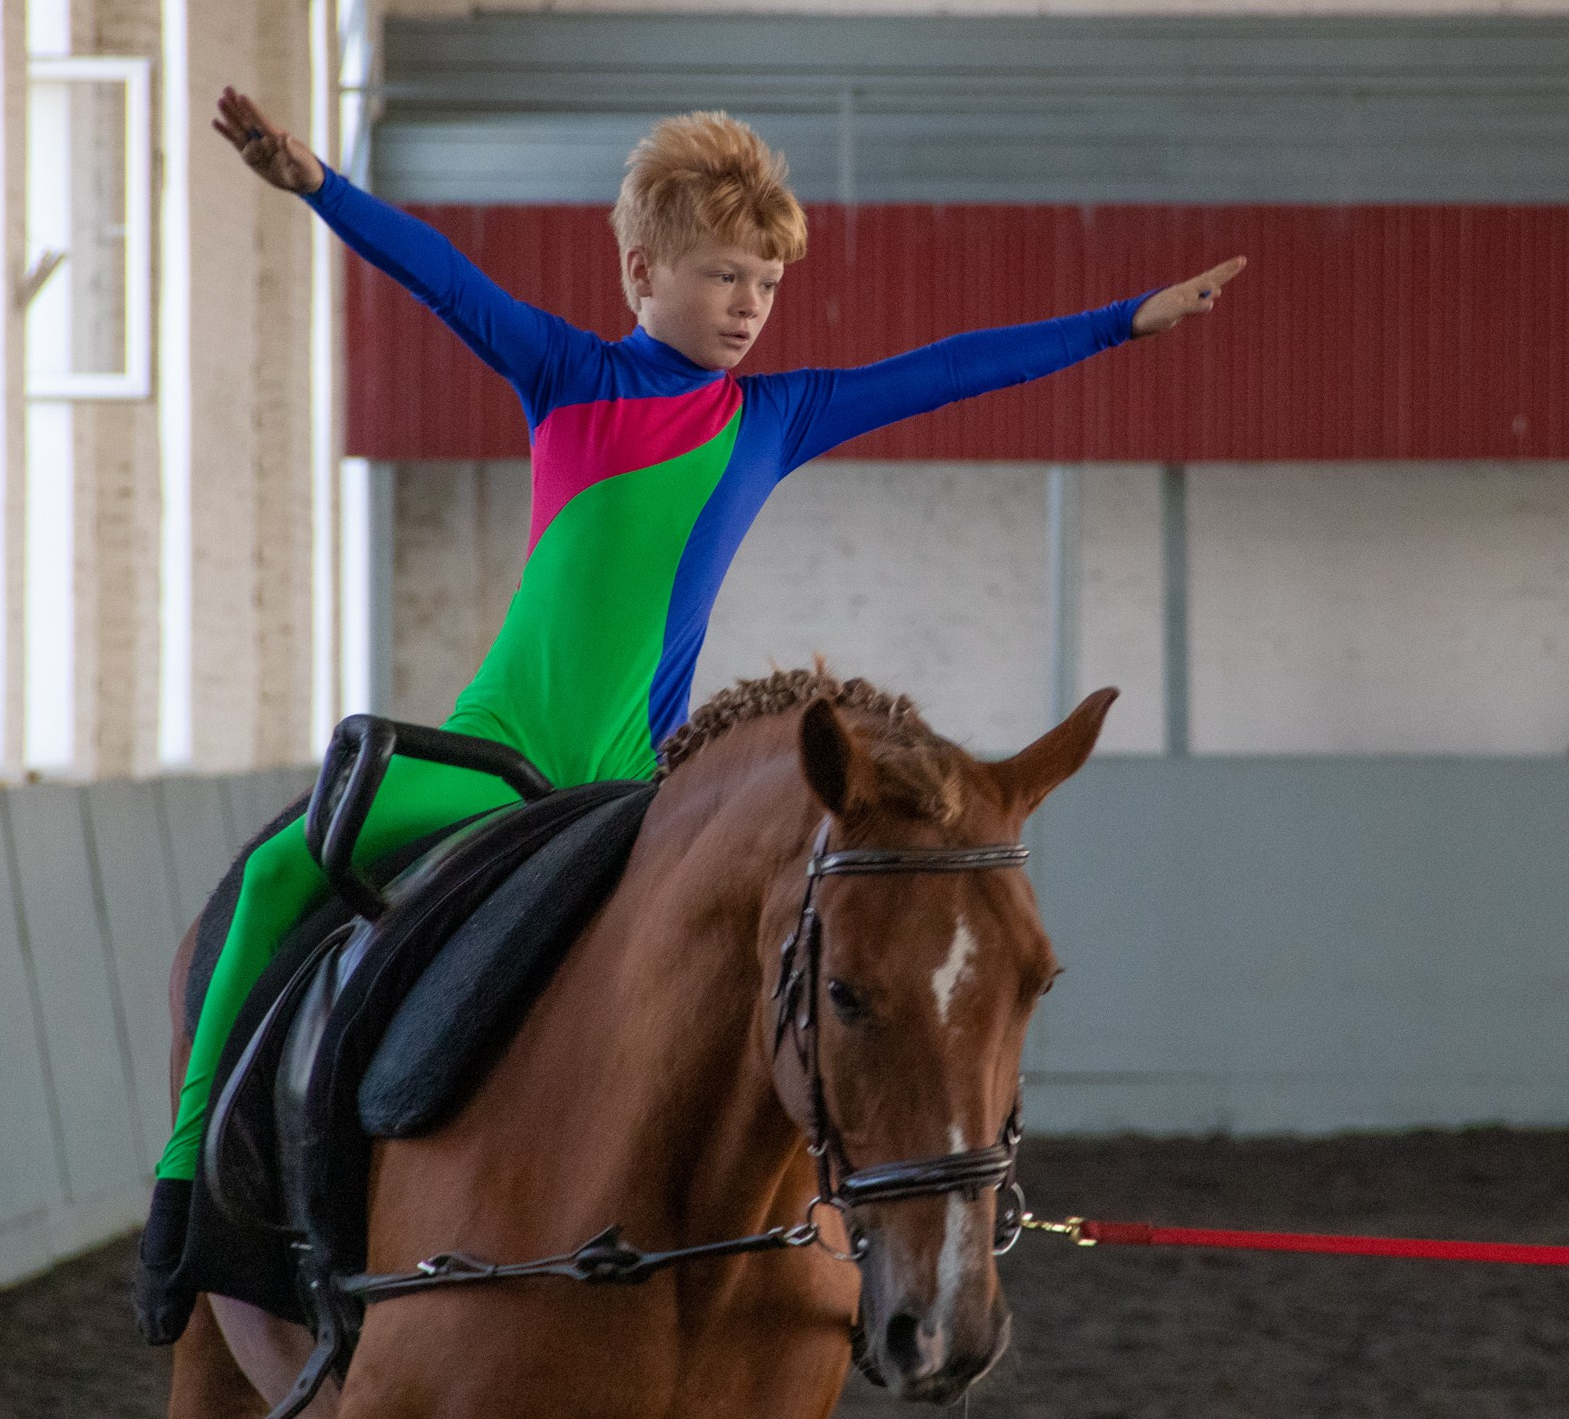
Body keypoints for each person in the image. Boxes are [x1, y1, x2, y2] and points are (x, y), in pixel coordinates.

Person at [135, 89, 1244, 1339]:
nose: (747, 306)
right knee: (284, 868)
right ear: (641, 269)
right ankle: (187, 1188)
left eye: (765, 284)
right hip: (497, 759)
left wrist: (1121, 325)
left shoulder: (770, 416)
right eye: (723, 275)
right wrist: (316, 183)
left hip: (628, 791)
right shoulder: (565, 374)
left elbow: (942, 370)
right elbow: (440, 277)